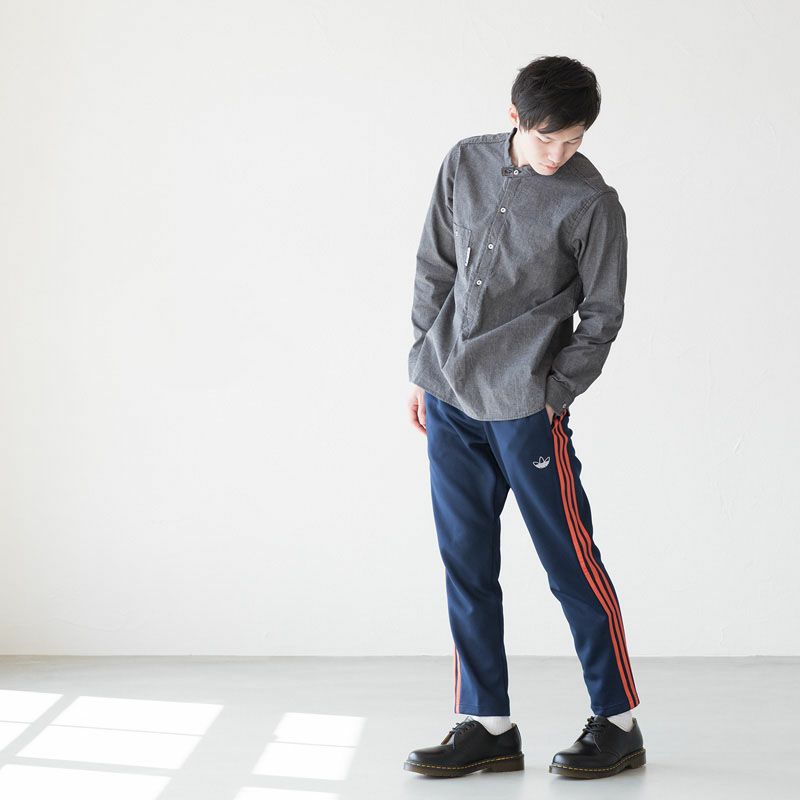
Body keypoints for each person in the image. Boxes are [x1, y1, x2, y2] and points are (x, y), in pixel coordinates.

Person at [402, 55, 646, 780]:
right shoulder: (464, 162)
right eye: (547, 138)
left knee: (571, 561)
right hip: (449, 396)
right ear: (514, 117)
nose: (559, 153)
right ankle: (486, 724)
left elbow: (602, 314)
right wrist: (421, 366)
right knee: (466, 562)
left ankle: (618, 722)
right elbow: (435, 266)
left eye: (573, 140)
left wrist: (555, 392)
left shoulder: (593, 202)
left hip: (525, 409)